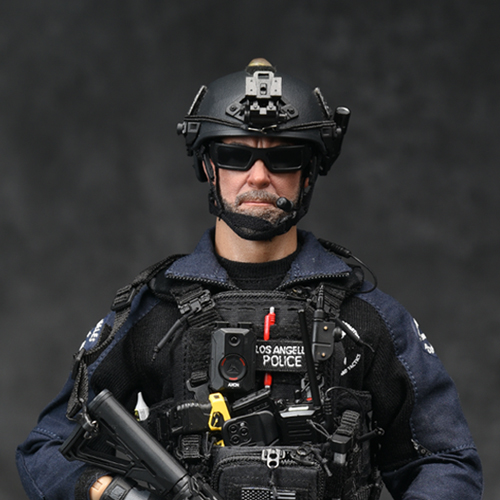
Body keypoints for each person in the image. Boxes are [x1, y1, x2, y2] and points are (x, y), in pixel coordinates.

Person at [16, 58, 483, 500]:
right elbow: (48, 448)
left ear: (308, 173)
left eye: (284, 158)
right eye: (235, 155)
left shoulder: (365, 318)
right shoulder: (154, 313)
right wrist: (115, 493)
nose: (258, 177)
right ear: (208, 166)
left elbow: (446, 461)